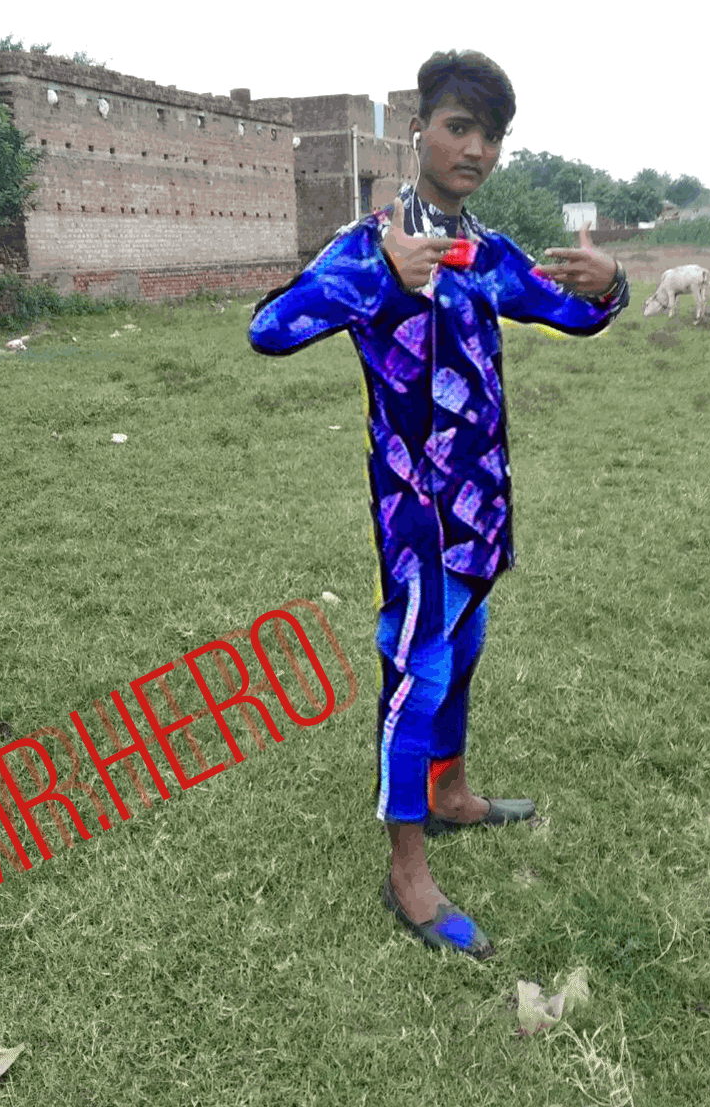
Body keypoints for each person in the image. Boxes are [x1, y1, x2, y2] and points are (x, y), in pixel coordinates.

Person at [247, 50, 628, 959]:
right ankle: (406, 869)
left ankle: (452, 793)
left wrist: (609, 282)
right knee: (415, 675)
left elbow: (571, 313)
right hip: (415, 517)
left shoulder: (486, 253)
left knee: (463, 653)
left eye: (492, 136)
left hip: (483, 506)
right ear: (418, 131)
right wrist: (380, 278)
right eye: (460, 128)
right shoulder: (368, 246)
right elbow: (269, 329)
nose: (477, 150)